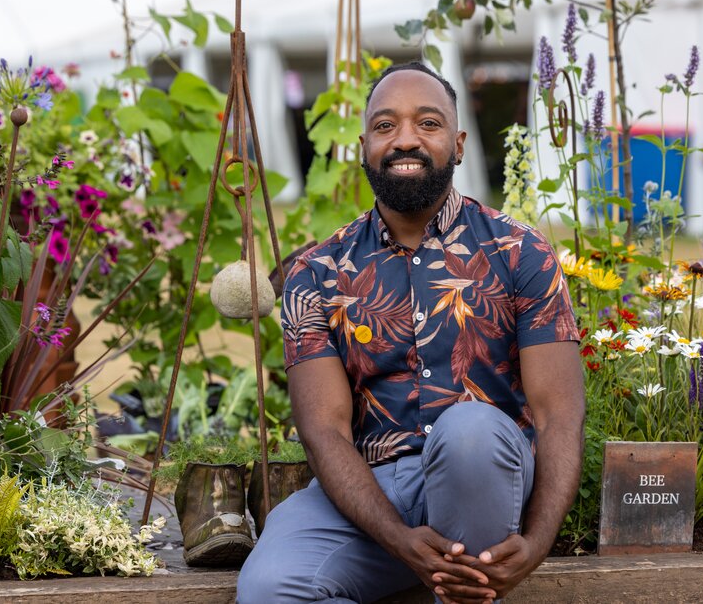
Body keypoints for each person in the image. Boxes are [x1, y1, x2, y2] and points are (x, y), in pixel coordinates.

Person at [237, 61, 585, 604]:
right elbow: (324, 429)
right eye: (385, 126)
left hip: (483, 489)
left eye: (427, 123)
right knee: (268, 588)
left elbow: (558, 413)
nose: (405, 140)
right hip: (370, 498)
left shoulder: (520, 251)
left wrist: (538, 541)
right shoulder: (318, 274)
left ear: (459, 141)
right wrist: (399, 540)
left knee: (468, 430)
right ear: (362, 146)